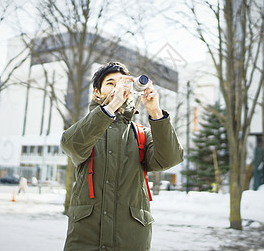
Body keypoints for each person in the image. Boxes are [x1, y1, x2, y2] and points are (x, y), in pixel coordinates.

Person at [61, 62, 183, 250]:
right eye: (110, 83)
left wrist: (155, 112)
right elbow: (72, 145)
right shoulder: (87, 128)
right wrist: (113, 104)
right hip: (85, 239)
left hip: (130, 240)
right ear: (97, 93)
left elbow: (170, 158)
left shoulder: (141, 134)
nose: (118, 87)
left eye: (122, 83)